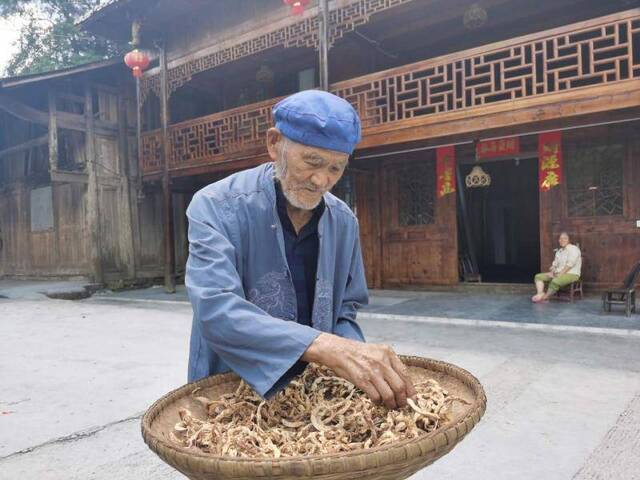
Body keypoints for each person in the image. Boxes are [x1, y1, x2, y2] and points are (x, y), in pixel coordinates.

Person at [185, 90, 416, 410]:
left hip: (312, 395)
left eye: (336, 168)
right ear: (274, 143)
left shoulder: (344, 222)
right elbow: (216, 310)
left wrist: (354, 358)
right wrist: (322, 346)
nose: (322, 180)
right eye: (312, 161)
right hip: (229, 388)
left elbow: (345, 309)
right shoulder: (215, 206)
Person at [532, 232, 581, 303]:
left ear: (569, 240)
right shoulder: (559, 252)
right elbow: (554, 265)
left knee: (555, 281)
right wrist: (552, 271)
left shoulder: (574, 249)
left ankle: (544, 297)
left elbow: (570, 264)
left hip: (572, 274)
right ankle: (540, 293)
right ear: (559, 240)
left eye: (565, 238)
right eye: (560, 239)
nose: (562, 240)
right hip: (558, 273)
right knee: (538, 276)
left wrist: (560, 274)